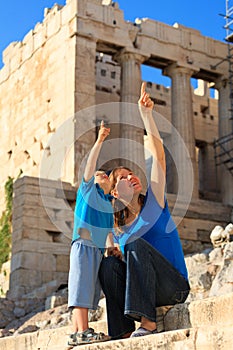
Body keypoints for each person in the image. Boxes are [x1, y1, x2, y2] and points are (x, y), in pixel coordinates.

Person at [99, 82, 190, 339]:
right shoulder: (118, 229)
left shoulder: (154, 202)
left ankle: (149, 324)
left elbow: (159, 158)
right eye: (124, 178)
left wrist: (146, 116)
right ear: (115, 192)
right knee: (109, 265)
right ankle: (122, 332)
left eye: (133, 174)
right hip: (144, 289)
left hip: (173, 287)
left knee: (136, 245)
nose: (133, 177)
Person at [67, 121, 113, 347]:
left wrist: (112, 247)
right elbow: (91, 164)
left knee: (89, 289)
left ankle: (77, 331)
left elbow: (109, 231)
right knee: (81, 286)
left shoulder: (107, 203)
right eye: (98, 174)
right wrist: (100, 139)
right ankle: (83, 330)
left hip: (96, 249)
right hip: (83, 245)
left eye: (105, 174)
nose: (100, 173)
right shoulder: (87, 190)